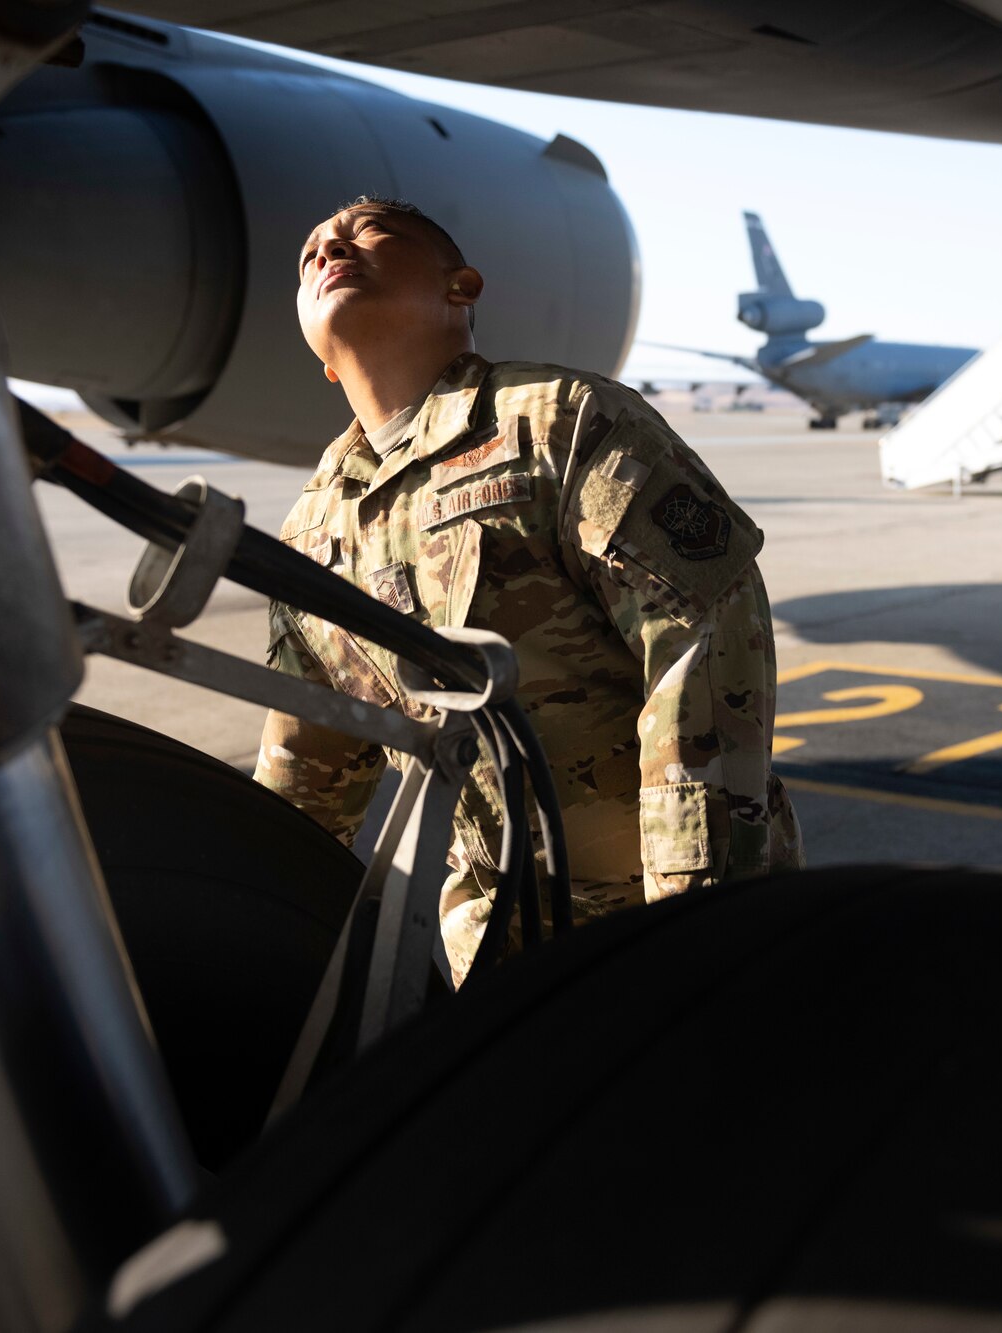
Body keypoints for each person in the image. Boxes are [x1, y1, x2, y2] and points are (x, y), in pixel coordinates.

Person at [253, 195, 801, 983]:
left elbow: (700, 639)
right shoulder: (310, 531)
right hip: (494, 942)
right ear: (321, 356)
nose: (330, 246)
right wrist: (259, 929)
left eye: (369, 231)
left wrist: (694, 911)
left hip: (666, 917)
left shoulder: (562, 423)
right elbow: (306, 771)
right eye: (310, 254)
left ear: (462, 287)